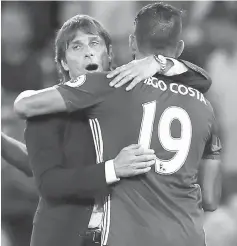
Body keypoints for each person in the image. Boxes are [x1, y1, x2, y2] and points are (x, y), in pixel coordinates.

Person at [15, 3, 222, 246]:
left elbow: (24, 105)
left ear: (130, 44)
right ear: (180, 48)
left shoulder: (111, 85)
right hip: (188, 235)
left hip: (129, 237)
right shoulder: (206, 107)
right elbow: (210, 199)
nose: (89, 54)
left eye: (94, 44)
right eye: (77, 46)